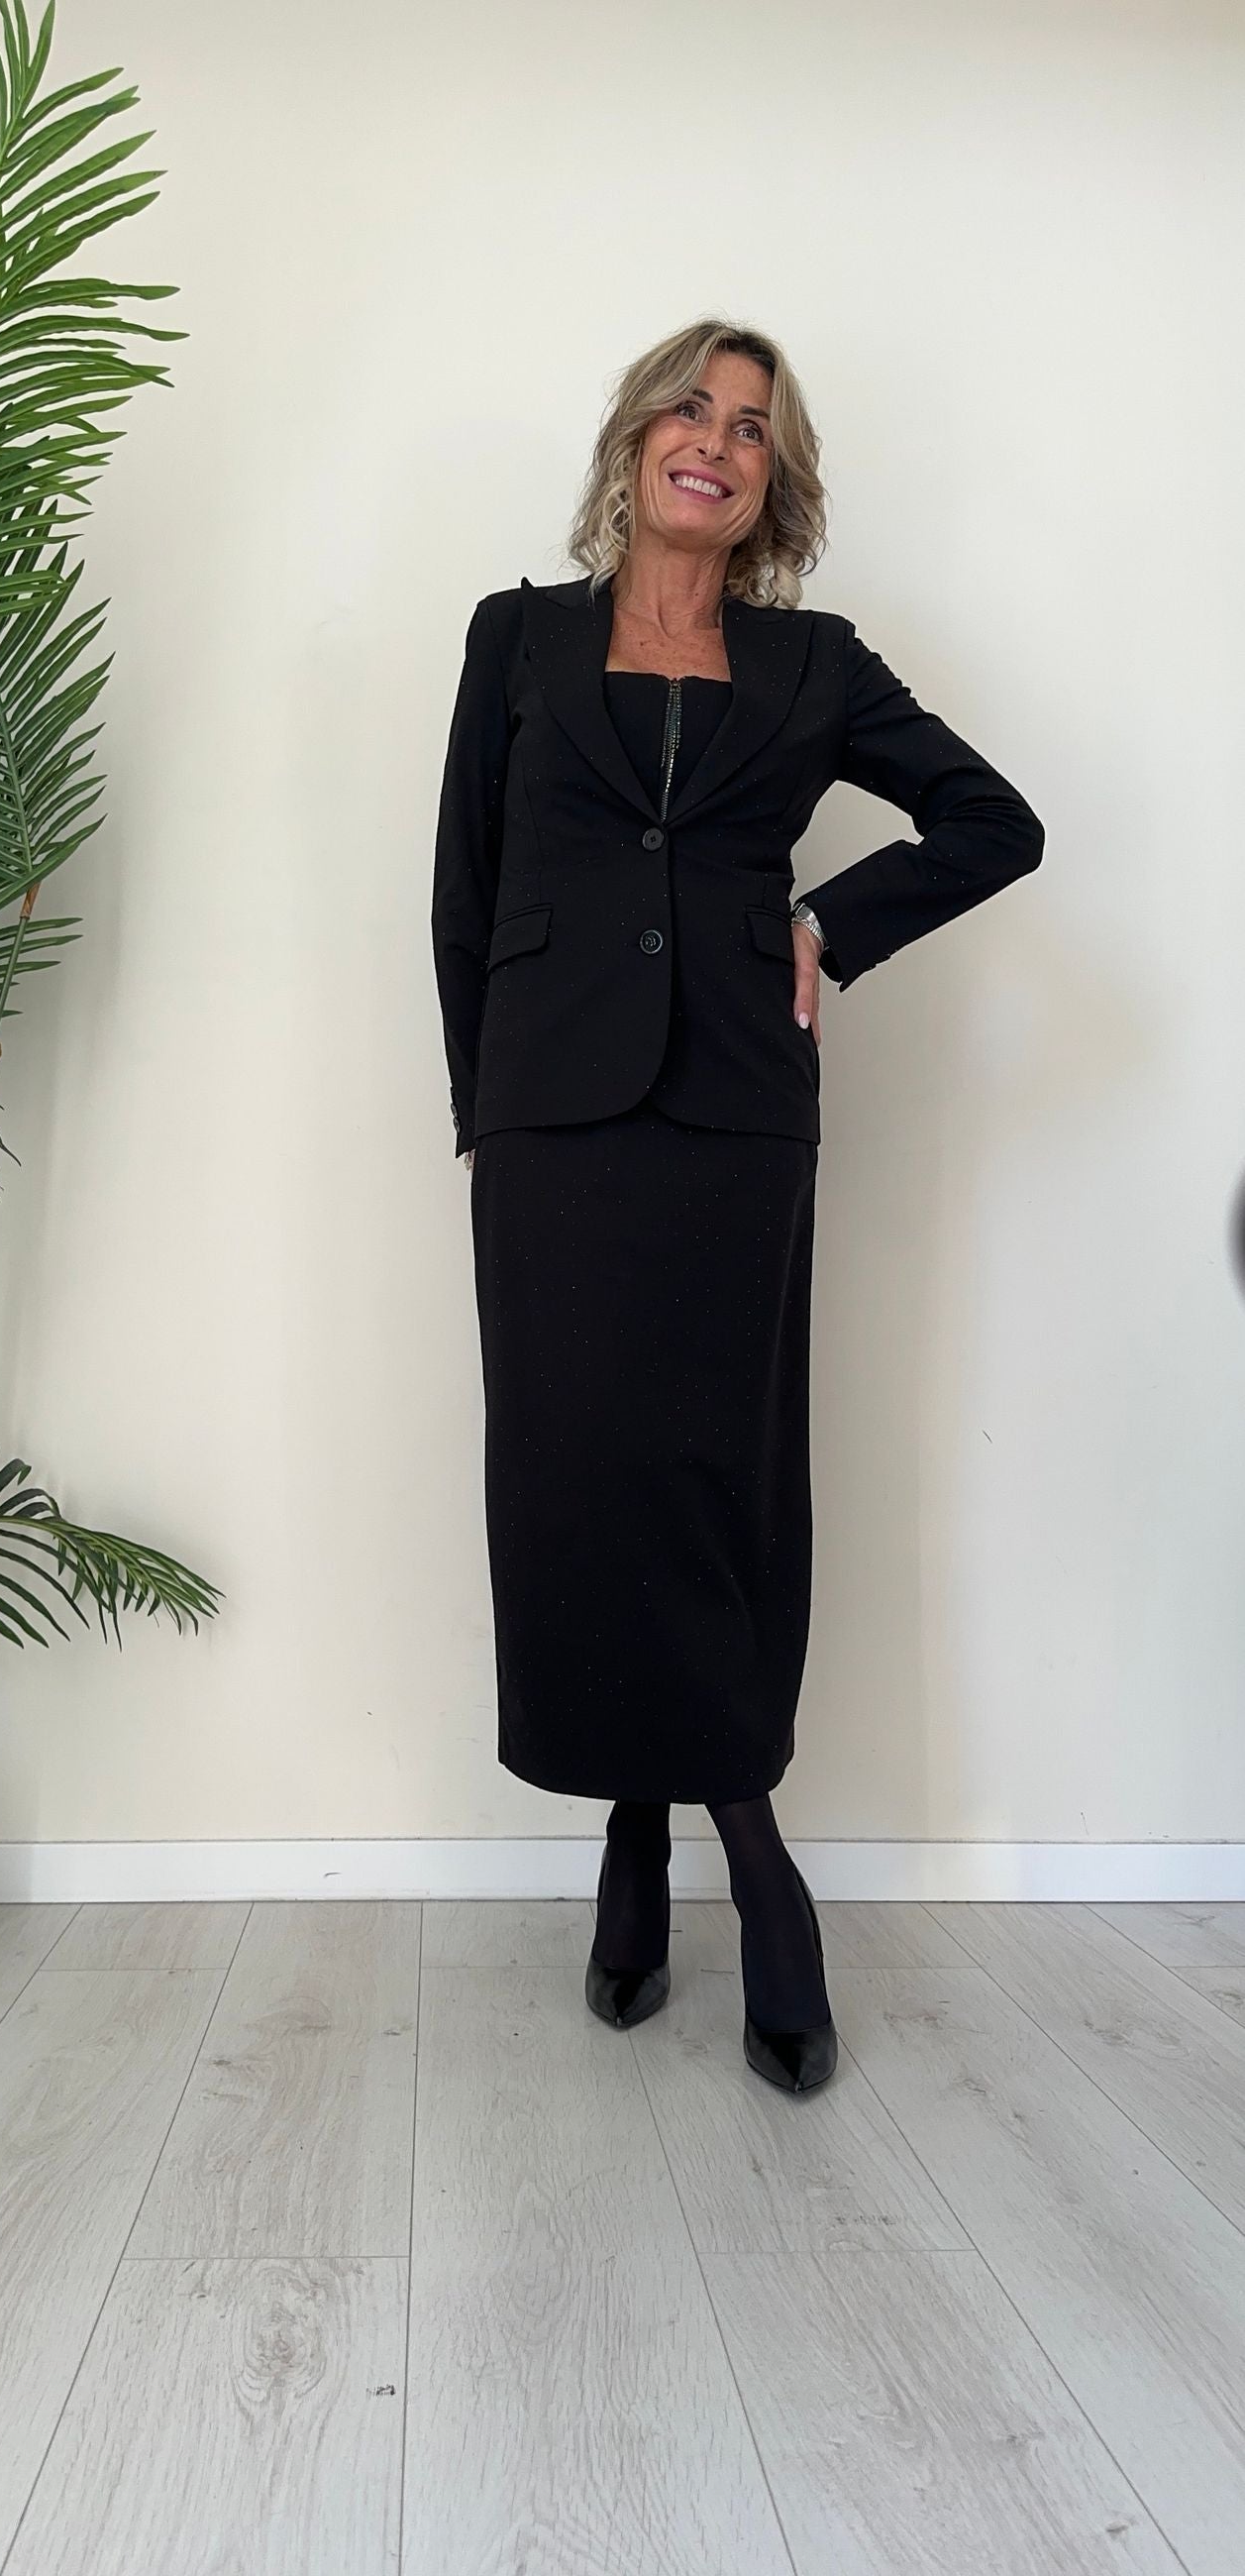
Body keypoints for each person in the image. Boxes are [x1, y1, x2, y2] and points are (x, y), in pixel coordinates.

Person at [431, 318, 1044, 2094]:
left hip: (734, 1121)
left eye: (753, 429)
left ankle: (746, 1845)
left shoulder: (812, 663)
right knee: (576, 1472)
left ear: (776, 484)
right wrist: (486, 1109)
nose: (715, 439)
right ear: (635, 440)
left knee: (715, 1478)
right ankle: (635, 1822)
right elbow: (465, 885)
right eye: (689, 408)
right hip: (553, 1122)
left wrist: (831, 925)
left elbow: (993, 822)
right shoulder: (518, 639)